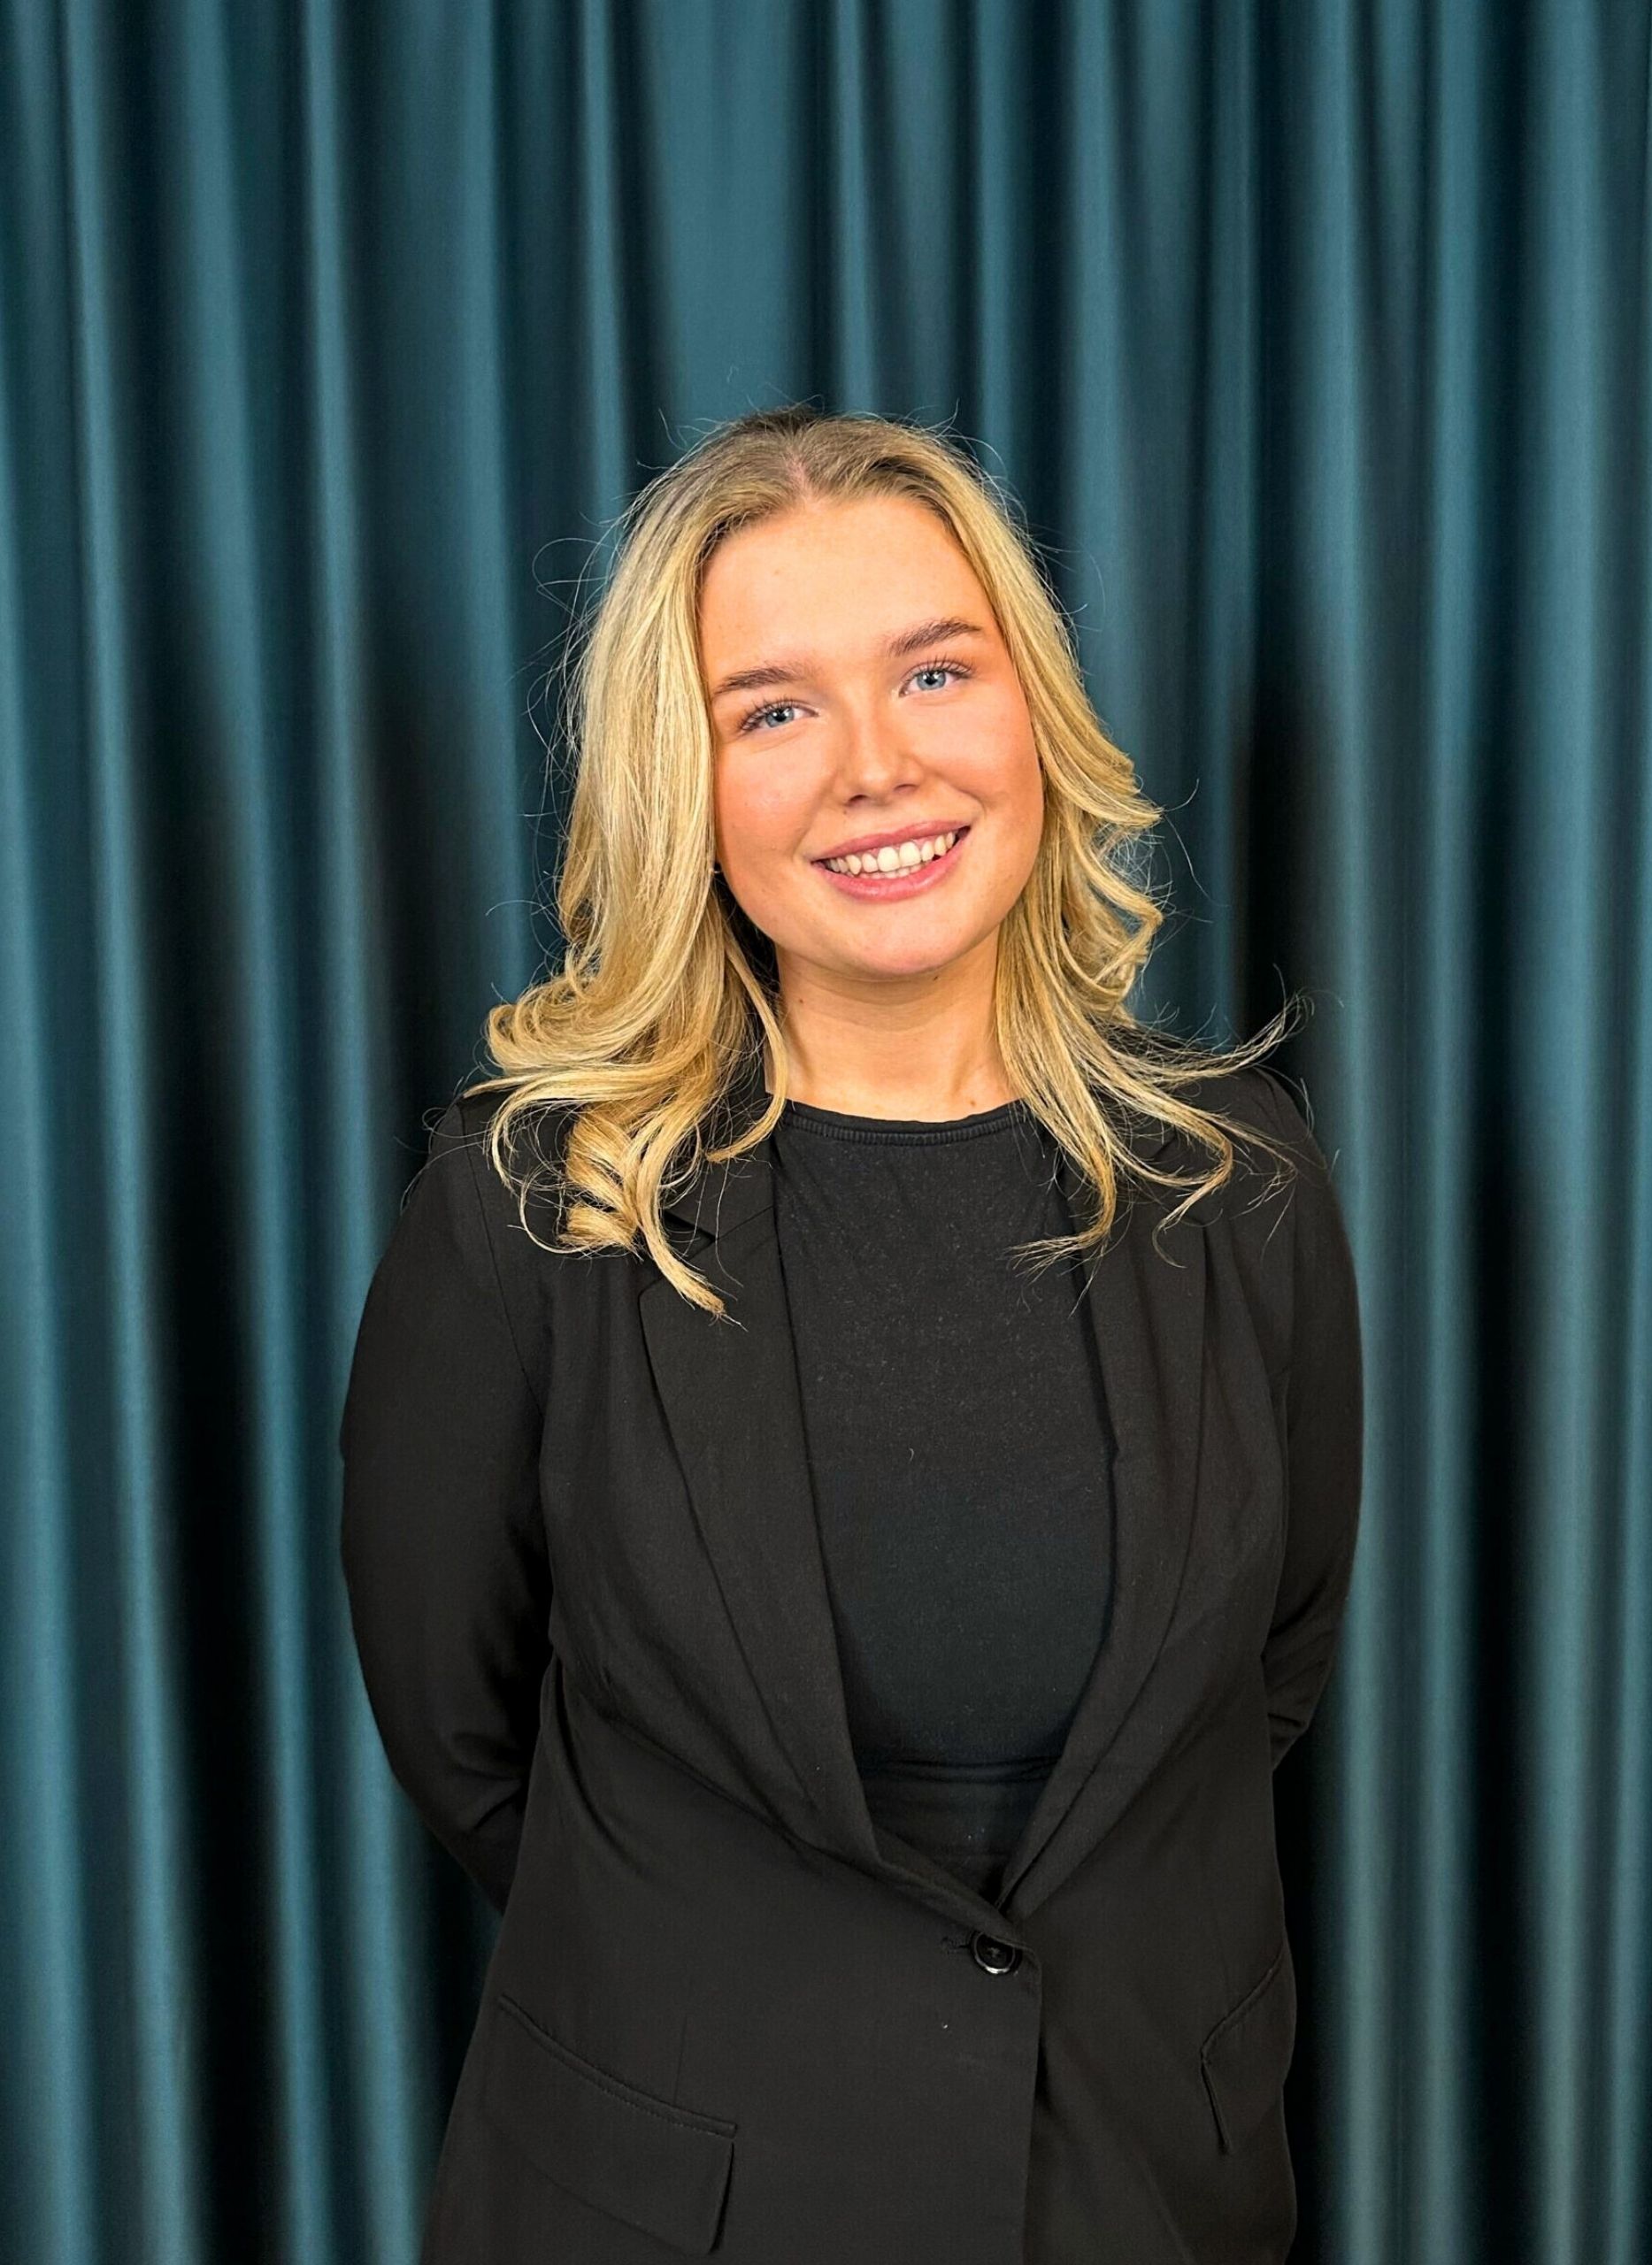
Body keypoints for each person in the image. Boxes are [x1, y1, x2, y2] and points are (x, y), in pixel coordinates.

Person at [338, 405, 1364, 2264]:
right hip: (682, 2204)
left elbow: (1266, 1672)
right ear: (689, 780)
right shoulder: (535, 1207)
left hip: (1144, 2189)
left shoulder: (1244, 1179)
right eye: (775, 708)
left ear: (1029, 711)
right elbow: (466, 1733)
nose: (878, 768)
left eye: (934, 669)